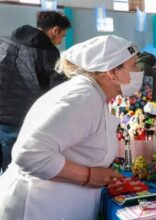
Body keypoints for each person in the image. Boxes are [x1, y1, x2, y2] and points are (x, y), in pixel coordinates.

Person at [0, 35, 144, 219]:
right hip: (37, 208)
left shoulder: (94, 95)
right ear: (112, 72)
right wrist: (89, 176)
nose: (139, 70)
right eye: (134, 65)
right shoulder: (81, 98)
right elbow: (29, 154)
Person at [0, 11, 71, 173]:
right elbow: (59, 90)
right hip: (19, 119)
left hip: (3, 117)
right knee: (14, 171)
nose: (61, 41)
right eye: (63, 35)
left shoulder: (6, 42)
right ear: (54, 31)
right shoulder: (48, 53)